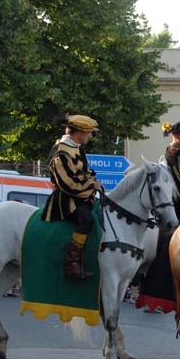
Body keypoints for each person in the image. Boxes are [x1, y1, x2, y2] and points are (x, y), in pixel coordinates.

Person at [42, 115, 104, 279]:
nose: (90, 136)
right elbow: (67, 182)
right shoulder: (60, 153)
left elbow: (85, 172)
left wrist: (95, 181)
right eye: (89, 133)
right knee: (87, 220)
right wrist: (91, 186)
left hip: (81, 195)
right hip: (66, 199)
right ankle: (72, 263)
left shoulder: (77, 148)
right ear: (79, 133)